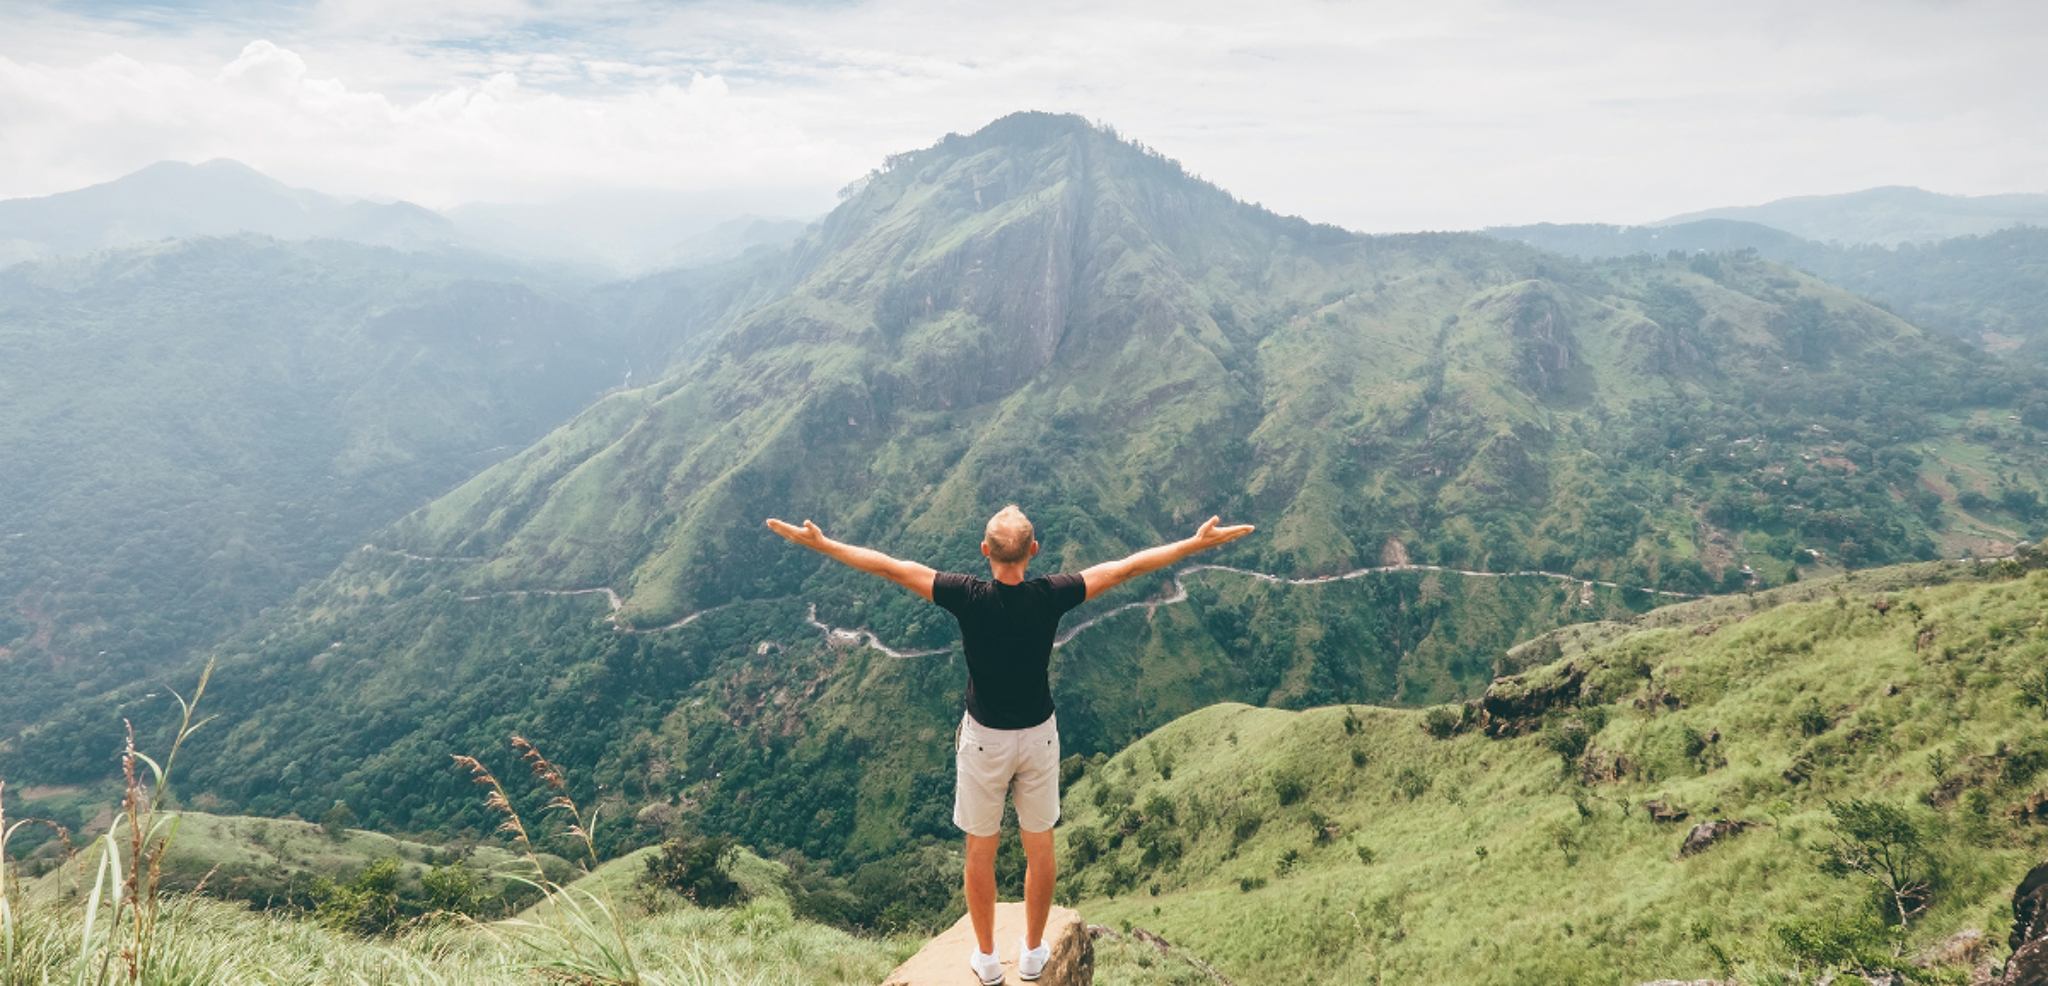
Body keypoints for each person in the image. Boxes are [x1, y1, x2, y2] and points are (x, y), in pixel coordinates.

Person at [765, 505, 1254, 984]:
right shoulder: (1051, 595)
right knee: (1039, 847)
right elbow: (1126, 567)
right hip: (1039, 738)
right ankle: (1034, 953)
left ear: (985, 552)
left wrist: (824, 545)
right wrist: (1193, 543)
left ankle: (986, 958)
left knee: (980, 852)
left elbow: (891, 567)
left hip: (983, 742)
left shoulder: (966, 596)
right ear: (1034, 551)